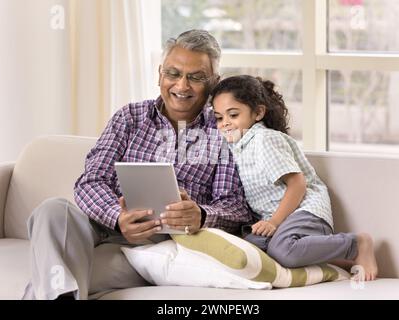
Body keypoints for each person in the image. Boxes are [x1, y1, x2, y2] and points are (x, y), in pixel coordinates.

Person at [22, 30, 253, 300]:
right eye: (173, 73)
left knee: (56, 278)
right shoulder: (130, 117)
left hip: (159, 247)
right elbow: (91, 181)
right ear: (159, 74)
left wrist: (200, 214)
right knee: (52, 210)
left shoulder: (225, 130)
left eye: (196, 77)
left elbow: (236, 206)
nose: (181, 86)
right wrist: (117, 218)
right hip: (103, 225)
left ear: (215, 82)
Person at [211, 75, 378, 281]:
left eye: (233, 115)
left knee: (282, 250)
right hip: (282, 220)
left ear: (258, 113)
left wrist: (273, 222)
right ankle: (338, 259)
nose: (225, 123)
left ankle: (356, 244)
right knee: (249, 249)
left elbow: (297, 184)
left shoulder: (264, 140)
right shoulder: (236, 145)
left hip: (304, 210)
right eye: (219, 118)